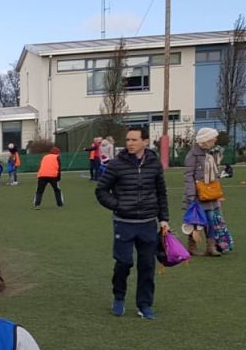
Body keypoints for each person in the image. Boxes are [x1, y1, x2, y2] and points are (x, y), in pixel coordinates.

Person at [95, 125, 169, 320]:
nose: (129, 143)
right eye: (127, 140)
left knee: (147, 266)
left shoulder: (154, 163)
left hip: (148, 223)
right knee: (124, 263)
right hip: (124, 222)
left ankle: (144, 304)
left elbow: (161, 193)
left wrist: (164, 220)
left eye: (134, 140)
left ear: (145, 141)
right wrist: (118, 205)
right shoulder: (116, 164)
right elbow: (101, 190)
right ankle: (119, 297)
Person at [182, 128, 226, 257]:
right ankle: (192, 246)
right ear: (205, 140)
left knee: (211, 219)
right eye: (213, 138)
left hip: (210, 194)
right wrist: (191, 195)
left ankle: (210, 246)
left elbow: (214, 173)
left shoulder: (212, 153)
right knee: (195, 220)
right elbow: (188, 176)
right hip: (197, 195)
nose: (215, 140)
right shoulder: (192, 156)